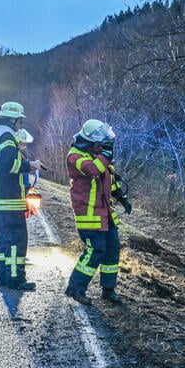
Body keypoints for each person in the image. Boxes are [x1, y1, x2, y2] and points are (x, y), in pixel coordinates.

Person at [63, 119, 128, 305]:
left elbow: (108, 177)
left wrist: (121, 196)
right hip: (89, 215)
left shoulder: (97, 155)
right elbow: (92, 170)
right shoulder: (75, 156)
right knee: (95, 250)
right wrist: (105, 155)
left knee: (112, 249)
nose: (103, 146)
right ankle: (76, 288)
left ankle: (108, 290)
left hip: (106, 213)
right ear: (91, 141)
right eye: (101, 143)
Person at [0, 101, 43, 291]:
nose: (21, 126)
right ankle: (16, 279)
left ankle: (3, 278)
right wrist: (30, 165)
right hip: (10, 199)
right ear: (13, 119)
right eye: (20, 122)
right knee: (17, 241)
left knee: (3, 242)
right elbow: (10, 164)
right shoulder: (6, 135)